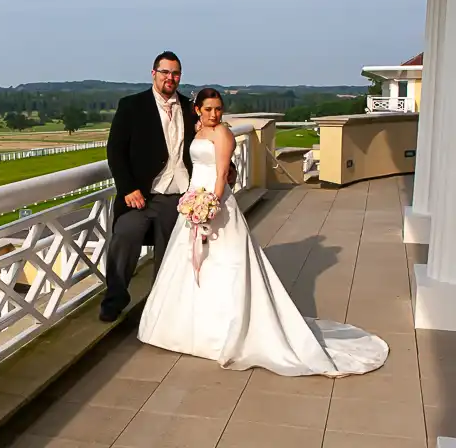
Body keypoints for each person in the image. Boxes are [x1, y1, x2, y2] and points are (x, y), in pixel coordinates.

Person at [137, 88, 389, 377]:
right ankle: (182, 330)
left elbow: (221, 175)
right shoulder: (197, 130)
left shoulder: (223, 134)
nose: (214, 114)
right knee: (191, 264)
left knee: (228, 265)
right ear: (197, 110)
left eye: (218, 109)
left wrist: (209, 207)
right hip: (194, 197)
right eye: (208, 109)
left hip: (214, 204)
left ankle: (228, 334)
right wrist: (194, 203)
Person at [101, 52, 237, 323]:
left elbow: (211, 139)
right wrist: (128, 188)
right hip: (140, 194)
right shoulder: (131, 106)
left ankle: (161, 306)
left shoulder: (190, 108)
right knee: (125, 235)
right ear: (154, 74)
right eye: (165, 72)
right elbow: (115, 151)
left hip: (177, 196)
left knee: (172, 250)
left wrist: (227, 169)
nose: (170, 78)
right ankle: (115, 299)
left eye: (175, 73)